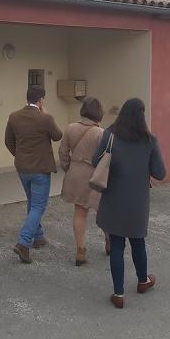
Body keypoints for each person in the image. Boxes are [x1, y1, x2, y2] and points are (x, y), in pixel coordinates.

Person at [92, 98, 166, 309]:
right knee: (137, 242)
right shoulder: (150, 141)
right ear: (142, 115)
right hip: (137, 202)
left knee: (116, 245)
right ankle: (143, 281)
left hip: (114, 197)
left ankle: (118, 294)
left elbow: (95, 161)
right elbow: (160, 173)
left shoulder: (110, 136)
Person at [4, 85, 63, 263]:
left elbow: (8, 142)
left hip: (23, 168)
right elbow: (58, 135)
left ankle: (38, 236)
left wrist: (20, 156)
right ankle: (23, 243)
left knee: (33, 202)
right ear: (41, 100)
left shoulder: (14, 117)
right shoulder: (45, 118)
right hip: (40, 169)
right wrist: (46, 113)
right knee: (38, 206)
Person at [59, 96, 110, 266]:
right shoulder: (102, 133)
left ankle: (80, 250)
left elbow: (63, 153)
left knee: (80, 213)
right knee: (103, 212)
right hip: (95, 177)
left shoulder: (70, 128)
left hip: (75, 174)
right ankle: (109, 241)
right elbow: (107, 158)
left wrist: (68, 167)